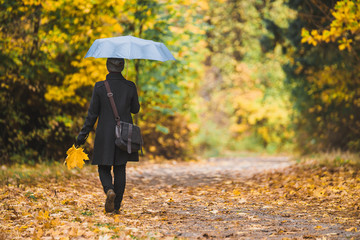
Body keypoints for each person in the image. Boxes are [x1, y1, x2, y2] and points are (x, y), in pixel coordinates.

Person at [75, 58, 140, 214]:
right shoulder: (130, 86)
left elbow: (92, 115)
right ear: (123, 67)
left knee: (103, 167)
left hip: (104, 134)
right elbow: (135, 109)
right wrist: (129, 92)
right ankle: (116, 206)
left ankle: (109, 190)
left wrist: (82, 136)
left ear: (107, 66)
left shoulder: (99, 87)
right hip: (124, 134)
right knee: (120, 168)